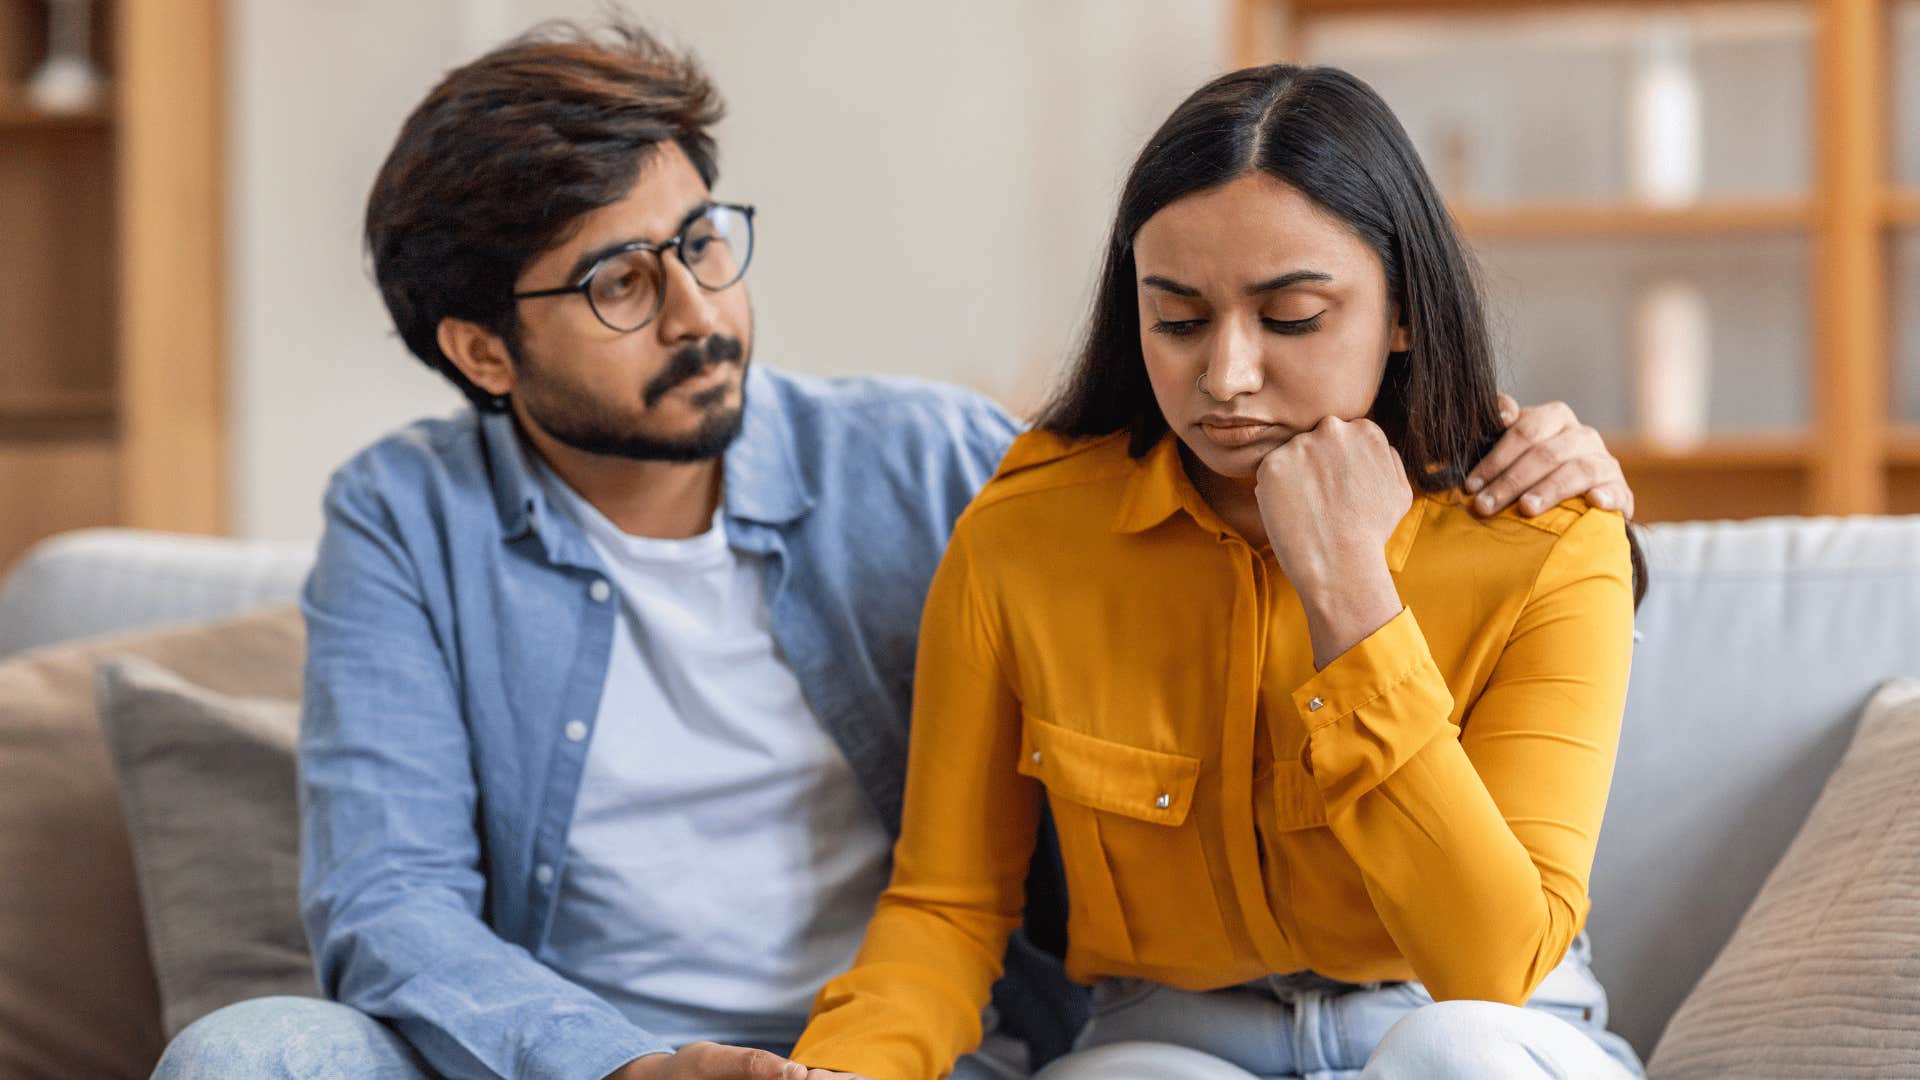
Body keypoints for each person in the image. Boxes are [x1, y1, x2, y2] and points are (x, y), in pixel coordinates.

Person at [153, 26, 1639, 1080]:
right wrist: (626, 1068)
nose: (698, 312)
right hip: (588, 1045)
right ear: (483, 348)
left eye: (704, 241)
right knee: (251, 1054)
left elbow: (1488, 967)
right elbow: (390, 904)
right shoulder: (407, 523)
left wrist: (1436, 533)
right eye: (619, 282)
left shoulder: (931, 460)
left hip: (1003, 1035)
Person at [790, 63, 1647, 1080]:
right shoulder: (1026, 534)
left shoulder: (1547, 534)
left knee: (1456, 1054)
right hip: (1175, 1035)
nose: (1225, 377)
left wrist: (1348, 593)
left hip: (1475, 1021)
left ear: (1404, 309)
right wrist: (840, 1071)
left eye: (1290, 317)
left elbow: (1490, 966)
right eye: (1179, 319)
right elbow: (948, 906)